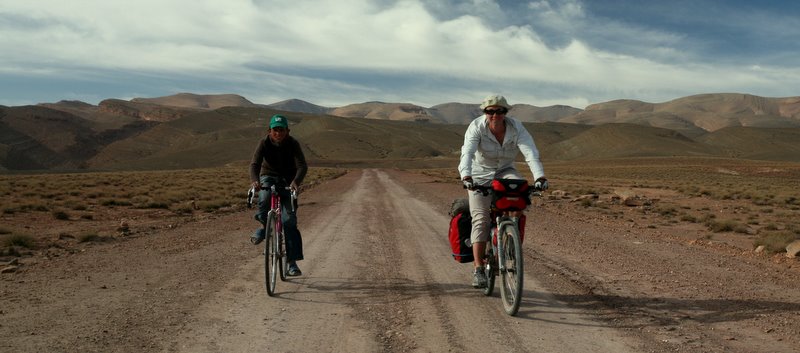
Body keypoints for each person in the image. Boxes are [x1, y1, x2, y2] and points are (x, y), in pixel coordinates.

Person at [458, 94, 549, 288]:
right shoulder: (476, 127)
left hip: (505, 171)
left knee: (519, 197)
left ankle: (509, 238)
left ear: (505, 113)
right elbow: (468, 152)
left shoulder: (516, 127)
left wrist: (539, 177)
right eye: (490, 111)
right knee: (481, 219)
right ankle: (478, 268)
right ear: (485, 113)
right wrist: (466, 177)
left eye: (499, 111)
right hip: (480, 174)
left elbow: (530, 152)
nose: (494, 115)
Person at [250, 114, 308, 276]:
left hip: (288, 180)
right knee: (264, 198)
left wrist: (296, 181)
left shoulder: (293, 143)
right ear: (269, 131)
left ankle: (292, 262)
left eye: (281, 129)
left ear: (287, 131)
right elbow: (255, 164)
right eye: (275, 129)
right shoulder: (263, 143)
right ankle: (263, 227)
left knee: (289, 221)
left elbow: (302, 165)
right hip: (268, 176)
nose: (278, 133)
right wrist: (255, 181)